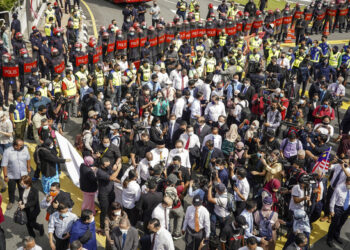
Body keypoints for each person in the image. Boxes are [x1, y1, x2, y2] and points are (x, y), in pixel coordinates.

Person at [2, 138, 31, 210]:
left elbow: (28, 158)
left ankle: (21, 200)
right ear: (15, 146)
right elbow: (4, 164)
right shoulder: (7, 151)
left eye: (22, 145)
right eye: (20, 145)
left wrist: (29, 168)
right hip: (12, 175)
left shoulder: (25, 149)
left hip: (23, 174)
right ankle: (11, 201)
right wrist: (5, 176)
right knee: (11, 189)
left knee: (22, 188)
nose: (22, 146)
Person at [326, 176, 350, 247]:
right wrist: (332, 210)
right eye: (349, 184)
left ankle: (336, 235)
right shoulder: (339, 188)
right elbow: (333, 200)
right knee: (334, 224)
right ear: (346, 182)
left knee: (341, 224)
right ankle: (329, 238)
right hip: (338, 208)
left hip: (347, 209)